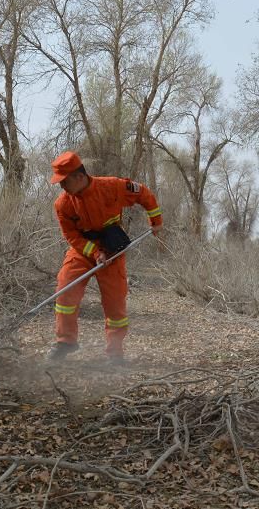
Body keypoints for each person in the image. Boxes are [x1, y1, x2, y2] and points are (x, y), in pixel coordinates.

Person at [47, 151, 163, 362]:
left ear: (79, 177)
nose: (61, 187)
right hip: (83, 249)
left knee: (115, 302)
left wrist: (156, 219)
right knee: (65, 288)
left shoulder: (112, 186)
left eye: (64, 182)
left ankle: (115, 354)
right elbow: (71, 235)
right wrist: (94, 252)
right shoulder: (62, 204)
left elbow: (143, 194)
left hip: (112, 249)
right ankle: (66, 342)